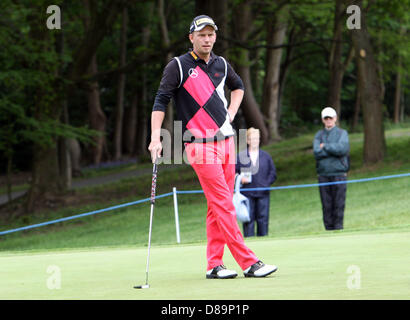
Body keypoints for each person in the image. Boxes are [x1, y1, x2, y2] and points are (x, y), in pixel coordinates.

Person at [148, 15, 277, 279]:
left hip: (228, 141)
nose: (207, 39)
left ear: (215, 36)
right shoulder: (178, 66)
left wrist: (231, 112)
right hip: (199, 145)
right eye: (202, 35)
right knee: (223, 203)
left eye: (211, 35)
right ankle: (249, 263)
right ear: (191, 38)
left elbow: (238, 87)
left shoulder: (221, 64)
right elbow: (160, 101)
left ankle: (214, 265)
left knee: (217, 205)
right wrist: (155, 137)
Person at [313, 107, 350, 230]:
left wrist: (325, 146)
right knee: (326, 205)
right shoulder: (319, 135)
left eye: (331, 118)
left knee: (338, 204)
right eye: (326, 118)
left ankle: (338, 228)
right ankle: (328, 230)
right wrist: (332, 150)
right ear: (323, 120)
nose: (328, 120)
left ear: (335, 118)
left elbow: (342, 149)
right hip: (323, 175)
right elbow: (317, 152)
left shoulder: (342, 133)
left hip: (339, 174)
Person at [236, 128, 277, 237]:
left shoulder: (266, 156)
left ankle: (263, 243)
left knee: (263, 220)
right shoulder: (240, 157)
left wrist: (266, 184)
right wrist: (240, 179)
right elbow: (233, 174)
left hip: (263, 194)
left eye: (257, 139)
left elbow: (273, 173)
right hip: (247, 194)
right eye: (252, 139)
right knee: (248, 220)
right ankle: (249, 246)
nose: (255, 141)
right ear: (248, 141)